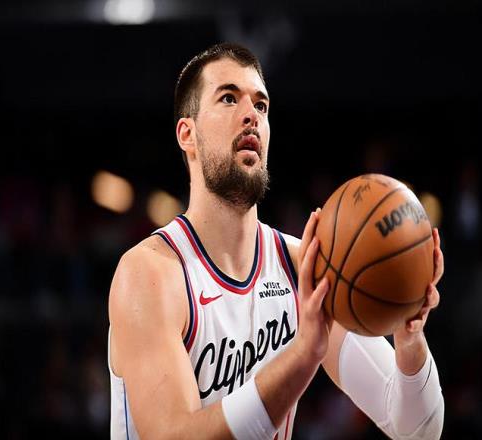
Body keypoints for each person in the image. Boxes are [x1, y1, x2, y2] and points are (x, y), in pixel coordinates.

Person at [108, 43, 444, 439]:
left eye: (261, 105)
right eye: (229, 98)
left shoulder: (304, 267)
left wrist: (409, 338)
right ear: (188, 134)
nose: (251, 114)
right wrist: (303, 356)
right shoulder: (148, 274)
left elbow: (418, 431)